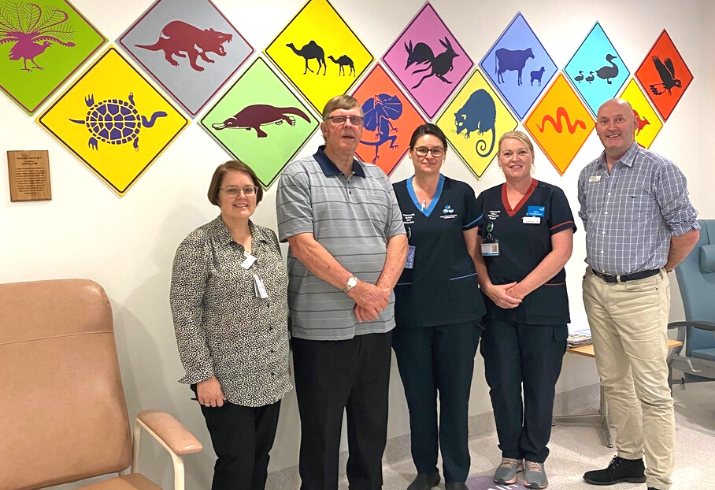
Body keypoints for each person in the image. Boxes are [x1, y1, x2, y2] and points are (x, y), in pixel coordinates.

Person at [276, 94, 408, 490]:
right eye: (339, 118)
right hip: (321, 330)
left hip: (377, 323)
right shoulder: (299, 177)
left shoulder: (379, 178)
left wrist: (379, 292)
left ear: (362, 128)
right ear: (324, 127)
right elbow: (301, 244)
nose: (348, 125)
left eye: (355, 119)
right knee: (321, 430)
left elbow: (398, 238)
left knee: (371, 426)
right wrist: (357, 289)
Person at [578, 98, 699, 490]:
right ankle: (630, 459)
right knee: (613, 381)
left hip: (642, 292)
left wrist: (659, 271)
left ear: (635, 124)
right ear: (596, 127)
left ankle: (660, 479)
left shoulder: (659, 170)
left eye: (620, 120)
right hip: (596, 287)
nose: (611, 127)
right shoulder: (588, 174)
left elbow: (688, 231)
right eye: (604, 121)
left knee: (652, 389)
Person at [170, 161, 291, 490]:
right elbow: (185, 313)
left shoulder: (268, 241)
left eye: (248, 189)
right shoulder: (198, 246)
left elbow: (278, 303)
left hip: (271, 372)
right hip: (225, 381)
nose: (242, 196)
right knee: (235, 463)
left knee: (259, 458)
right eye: (232, 189)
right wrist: (202, 376)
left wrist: (283, 359)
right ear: (217, 195)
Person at [472, 130, 576, 490]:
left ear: (532, 156)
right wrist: (488, 287)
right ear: (498, 160)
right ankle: (510, 453)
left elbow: (561, 251)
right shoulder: (485, 200)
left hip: (542, 308)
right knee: (501, 385)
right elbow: (477, 252)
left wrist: (520, 289)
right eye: (506, 153)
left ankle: (534, 456)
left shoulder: (551, 197)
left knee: (540, 386)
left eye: (520, 152)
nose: (513, 158)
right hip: (497, 310)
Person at [390, 123, 485, 490]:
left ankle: (456, 475)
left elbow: (475, 250)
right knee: (419, 398)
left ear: (444, 155)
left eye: (435, 150)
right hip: (410, 313)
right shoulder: (393, 194)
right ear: (411, 153)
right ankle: (425, 470)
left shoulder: (461, 194)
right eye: (422, 149)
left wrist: (487, 287)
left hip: (459, 312)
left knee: (456, 397)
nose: (428, 156)